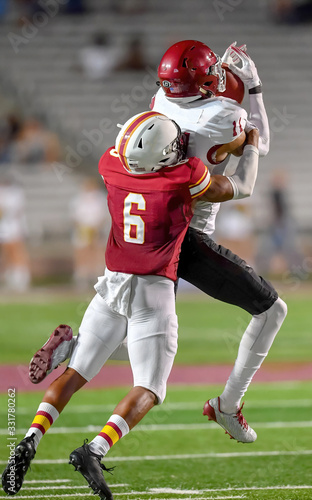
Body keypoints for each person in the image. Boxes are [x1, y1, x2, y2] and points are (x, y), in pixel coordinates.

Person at [28, 40, 287, 445]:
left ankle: (73, 350)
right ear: (200, 82)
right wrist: (253, 86)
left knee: (146, 339)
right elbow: (259, 146)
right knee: (271, 310)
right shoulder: (225, 116)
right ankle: (228, 404)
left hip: (148, 223)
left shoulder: (157, 104)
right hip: (185, 233)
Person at [2, 111, 260, 499]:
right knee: (150, 387)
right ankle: (95, 449)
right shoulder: (182, 175)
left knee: (76, 373)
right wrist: (250, 146)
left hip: (110, 285)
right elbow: (238, 187)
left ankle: (29, 439)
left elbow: (141, 143)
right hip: (152, 290)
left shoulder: (111, 165)